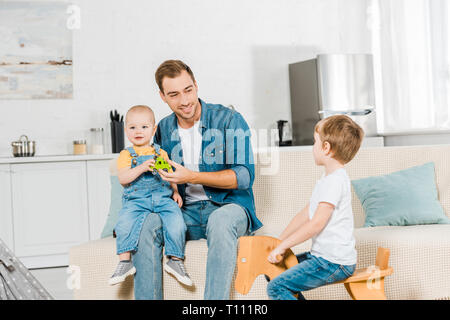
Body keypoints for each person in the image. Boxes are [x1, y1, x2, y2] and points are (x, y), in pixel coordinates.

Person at [132, 60, 263, 300]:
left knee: (221, 222)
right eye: (174, 94)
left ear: (196, 85)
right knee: (146, 225)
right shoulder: (162, 128)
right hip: (184, 212)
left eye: (188, 90)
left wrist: (191, 176)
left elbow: (244, 177)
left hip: (228, 207)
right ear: (162, 96)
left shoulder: (228, 120)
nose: (184, 101)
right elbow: (158, 178)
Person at [266, 115, 364, 300]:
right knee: (273, 270)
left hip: (333, 263)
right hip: (324, 258)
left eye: (314, 142)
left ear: (326, 148)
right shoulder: (327, 180)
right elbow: (305, 214)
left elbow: (315, 224)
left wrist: (284, 246)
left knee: (276, 287)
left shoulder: (334, 181)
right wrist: (280, 242)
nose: (313, 147)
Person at [108, 105, 193, 287]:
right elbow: (123, 179)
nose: (138, 131)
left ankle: (175, 260)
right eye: (133, 128)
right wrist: (142, 167)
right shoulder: (126, 155)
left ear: (153, 130)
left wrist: (176, 191)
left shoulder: (160, 152)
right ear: (126, 130)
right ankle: (124, 262)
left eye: (144, 127)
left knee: (177, 222)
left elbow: (169, 173)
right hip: (136, 200)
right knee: (123, 223)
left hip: (163, 198)